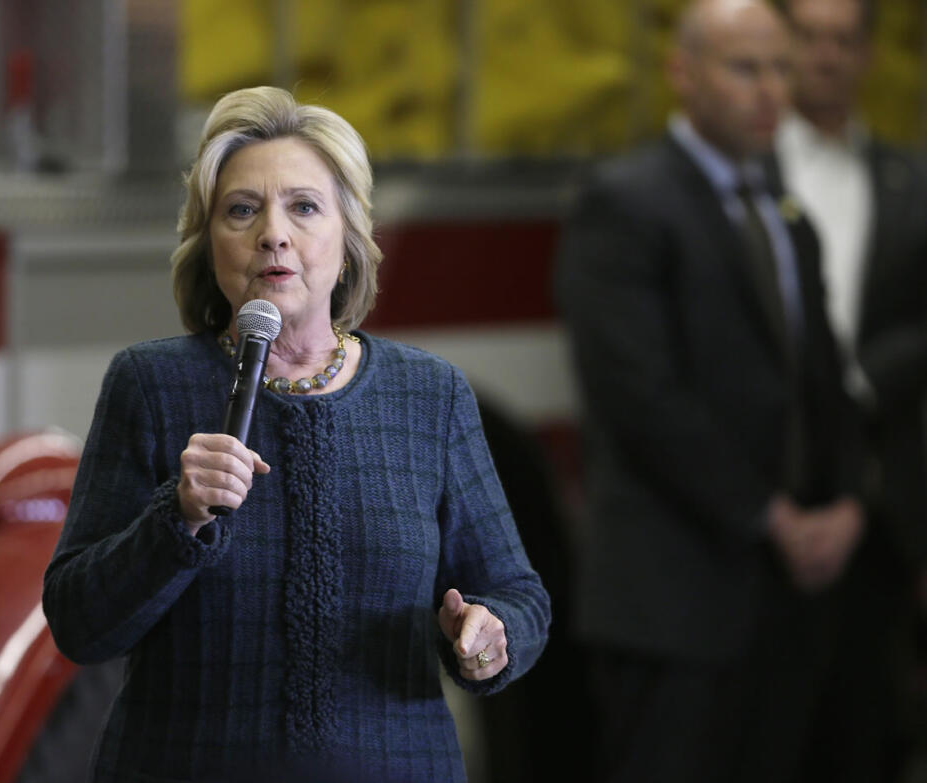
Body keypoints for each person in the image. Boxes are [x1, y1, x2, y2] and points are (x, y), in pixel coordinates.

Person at [42, 85, 550, 782]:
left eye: (304, 207)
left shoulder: (429, 395)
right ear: (209, 245)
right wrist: (176, 518)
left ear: (347, 241)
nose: (272, 233)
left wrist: (491, 637)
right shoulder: (150, 386)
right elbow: (79, 621)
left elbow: (519, 595)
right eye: (242, 210)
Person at [554, 1, 865, 781]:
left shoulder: (784, 213)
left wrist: (847, 501)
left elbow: (822, 382)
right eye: (744, 68)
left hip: (785, 601)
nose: (769, 91)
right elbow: (640, 394)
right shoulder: (624, 203)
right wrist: (770, 515)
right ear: (682, 74)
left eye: (780, 68)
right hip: (673, 600)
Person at [775, 0, 927, 777]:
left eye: (844, 40)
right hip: (763, 500)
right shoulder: (744, 168)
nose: (826, 56)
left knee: (863, 731)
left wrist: (864, 378)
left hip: (879, 505)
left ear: (868, 54)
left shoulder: (911, 181)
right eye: (810, 38)